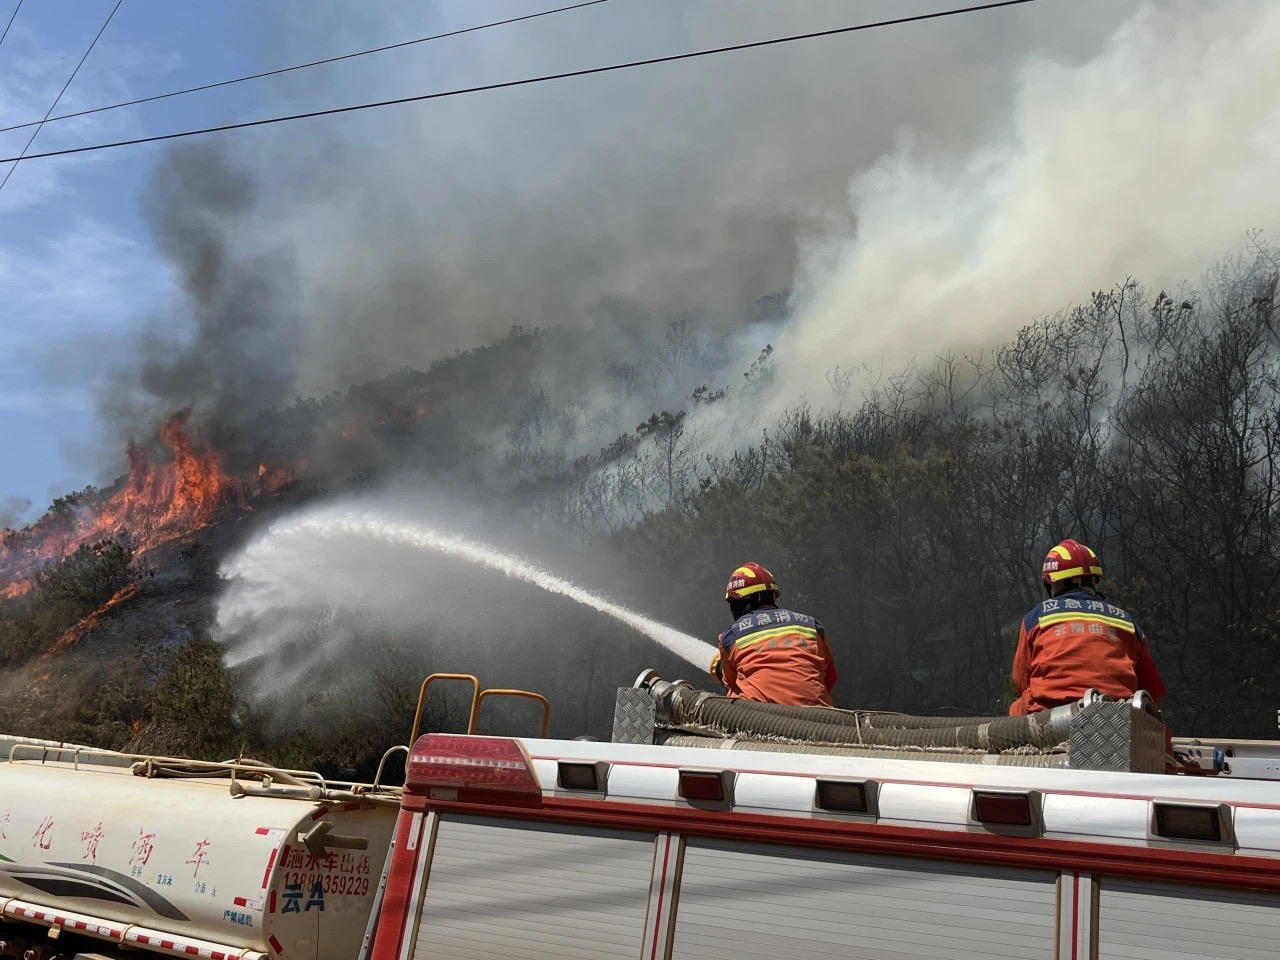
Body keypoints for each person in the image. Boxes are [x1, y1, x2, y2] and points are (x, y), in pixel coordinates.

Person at [1010, 538, 1166, 716]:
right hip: (1116, 713)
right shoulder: (1127, 622)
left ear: (1051, 583)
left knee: (1017, 707)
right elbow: (1151, 687)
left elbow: (1021, 680)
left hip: (1052, 713)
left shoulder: (1035, 618)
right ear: (1095, 580)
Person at [711, 562, 838, 707]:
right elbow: (829, 679)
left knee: (731, 697)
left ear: (741, 602)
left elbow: (730, 682)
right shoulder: (813, 626)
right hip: (819, 716)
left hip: (758, 717)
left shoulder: (731, 638)